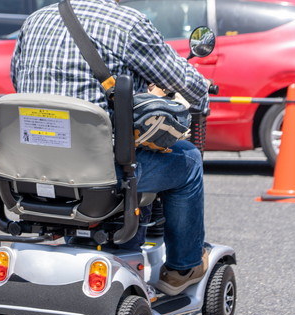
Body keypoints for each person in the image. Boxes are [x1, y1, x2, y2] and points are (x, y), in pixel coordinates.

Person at [11, 0, 210, 295]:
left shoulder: (36, 19)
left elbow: (18, 82)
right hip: (98, 178)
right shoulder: (128, 24)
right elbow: (190, 85)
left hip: (30, 171)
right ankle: (183, 268)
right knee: (188, 160)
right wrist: (197, 96)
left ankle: (111, 246)